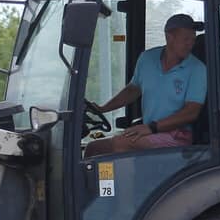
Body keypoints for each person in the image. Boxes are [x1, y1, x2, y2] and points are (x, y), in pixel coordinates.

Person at [86, 13, 207, 155]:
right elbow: (133, 90)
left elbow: (191, 112)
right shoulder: (147, 58)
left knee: (121, 144)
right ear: (169, 37)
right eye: (186, 39)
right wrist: (102, 109)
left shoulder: (197, 69)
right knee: (93, 148)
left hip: (178, 136)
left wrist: (152, 128)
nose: (190, 44)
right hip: (150, 131)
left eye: (193, 39)